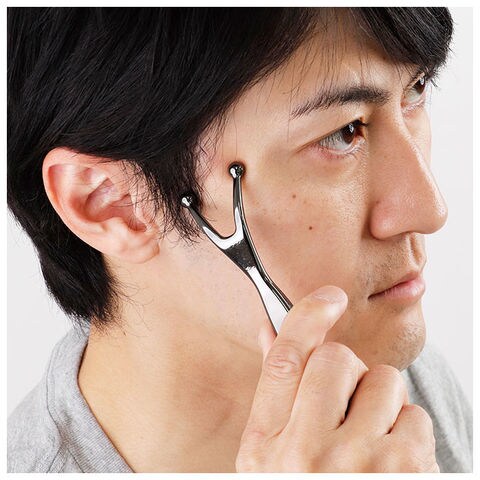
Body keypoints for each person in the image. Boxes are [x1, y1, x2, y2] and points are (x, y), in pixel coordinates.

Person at [7, 6, 472, 473]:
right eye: (343, 132)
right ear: (111, 204)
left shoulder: (385, 383)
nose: (430, 210)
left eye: (415, 90)